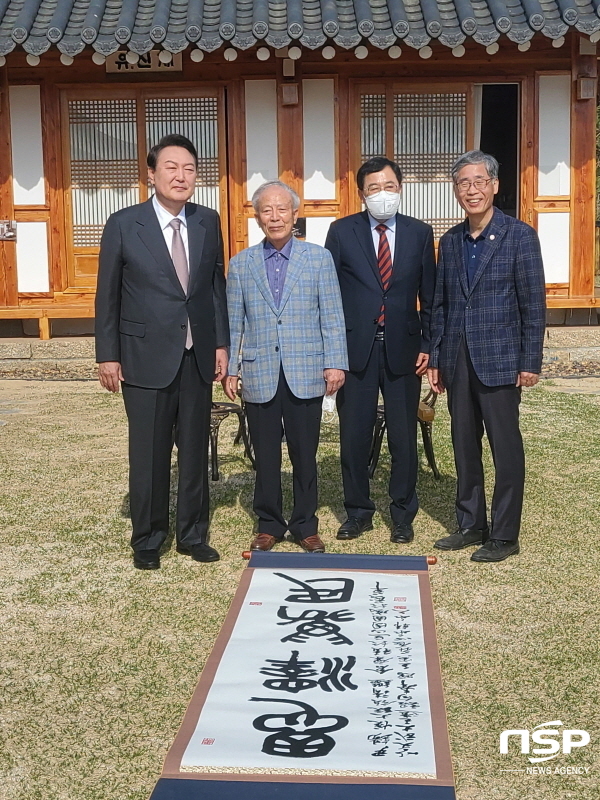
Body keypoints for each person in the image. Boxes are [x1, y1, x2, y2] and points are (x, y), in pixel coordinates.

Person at [95, 134, 229, 570]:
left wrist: (221, 343)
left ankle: (192, 535)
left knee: (194, 449)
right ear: (151, 174)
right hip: (143, 354)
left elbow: (214, 288)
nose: (181, 176)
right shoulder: (123, 223)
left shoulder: (208, 220)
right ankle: (148, 539)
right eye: (171, 167)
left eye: (189, 169)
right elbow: (107, 295)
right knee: (149, 451)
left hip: (196, 354)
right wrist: (107, 353)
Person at [428, 150, 546, 562]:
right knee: (464, 445)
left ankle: (505, 533)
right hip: (458, 360)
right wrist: (439, 358)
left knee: (505, 446)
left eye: (480, 181)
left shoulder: (519, 235)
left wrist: (530, 361)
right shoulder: (451, 241)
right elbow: (441, 304)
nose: (472, 190)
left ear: (495, 184)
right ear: (456, 191)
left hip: (500, 359)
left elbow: (533, 305)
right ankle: (471, 522)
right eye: (464, 183)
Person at [223, 181, 348, 553]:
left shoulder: (318, 259)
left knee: (304, 453)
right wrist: (231, 367)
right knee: (265, 453)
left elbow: (332, 316)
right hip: (260, 370)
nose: (274, 217)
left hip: (306, 369)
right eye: (266, 210)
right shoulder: (241, 263)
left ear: (295, 214)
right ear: (257, 216)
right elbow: (234, 322)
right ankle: (269, 523)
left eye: (282, 210)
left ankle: (305, 524)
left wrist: (335, 362)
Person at [324, 157, 435, 545]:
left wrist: (428, 345)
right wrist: (332, 352)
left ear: (400, 188)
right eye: (373, 188)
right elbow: (330, 296)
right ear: (362, 194)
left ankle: (403, 514)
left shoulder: (420, 233)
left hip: (405, 350)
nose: (381, 193)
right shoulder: (341, 231)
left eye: (388, 185)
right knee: (354, 435)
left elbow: (430, 296)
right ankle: (358, 512)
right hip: (356, 350)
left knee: (403, 438)